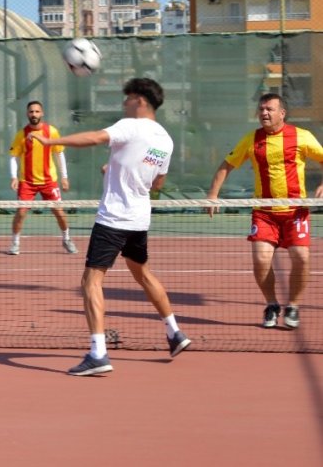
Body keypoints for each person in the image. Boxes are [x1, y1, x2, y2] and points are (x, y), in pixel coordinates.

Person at [29, 78, 190, 376]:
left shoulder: (131, 125)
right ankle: (175, 332)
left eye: (127, 98)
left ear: (140, 100)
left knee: (91, 281)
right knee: (142, 273)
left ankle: (98, 353)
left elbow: (94, 138)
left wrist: (51, 143)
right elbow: (157, 183)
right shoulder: (165, 140)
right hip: (140, 219)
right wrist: (114, 170)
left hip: (114, 218)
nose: (124, 104)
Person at [206, 92, 323, 329]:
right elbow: (227, 165)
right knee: (261, 260)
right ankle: (271, 304)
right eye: (261, 109)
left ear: (282, 113)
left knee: (301, 257)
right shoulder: (252, 139)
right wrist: (212, 195)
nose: (264, 113)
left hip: (295, 211)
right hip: (264, 212)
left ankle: (293, 305)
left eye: (269, 109)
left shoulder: (302, 136)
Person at [7, 101, 77, 255]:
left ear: (42, 113)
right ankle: (15, 243)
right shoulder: (21, 135)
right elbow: (13, 156)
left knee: (59, 212)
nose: (34, 114)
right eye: (31, 112)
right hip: (27, 182)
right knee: (21, 212)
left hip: (49, 182)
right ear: (27, 114)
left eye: (37, 111)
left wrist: (64, 177)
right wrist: (14, 177)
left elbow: (59, 154)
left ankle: (66, 239)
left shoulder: (51, 132)